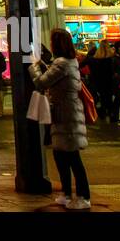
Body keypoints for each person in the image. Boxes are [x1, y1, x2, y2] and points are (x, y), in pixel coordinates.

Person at [31, 27, 91, 210]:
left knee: (72, 156)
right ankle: (66, 193)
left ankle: (83, 196)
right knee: (60, 154)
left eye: (51, 41)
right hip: (63, 113)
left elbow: (41, 82)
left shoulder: (63, 64)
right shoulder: (66, 62)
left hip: (67, 115)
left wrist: (34, 66)